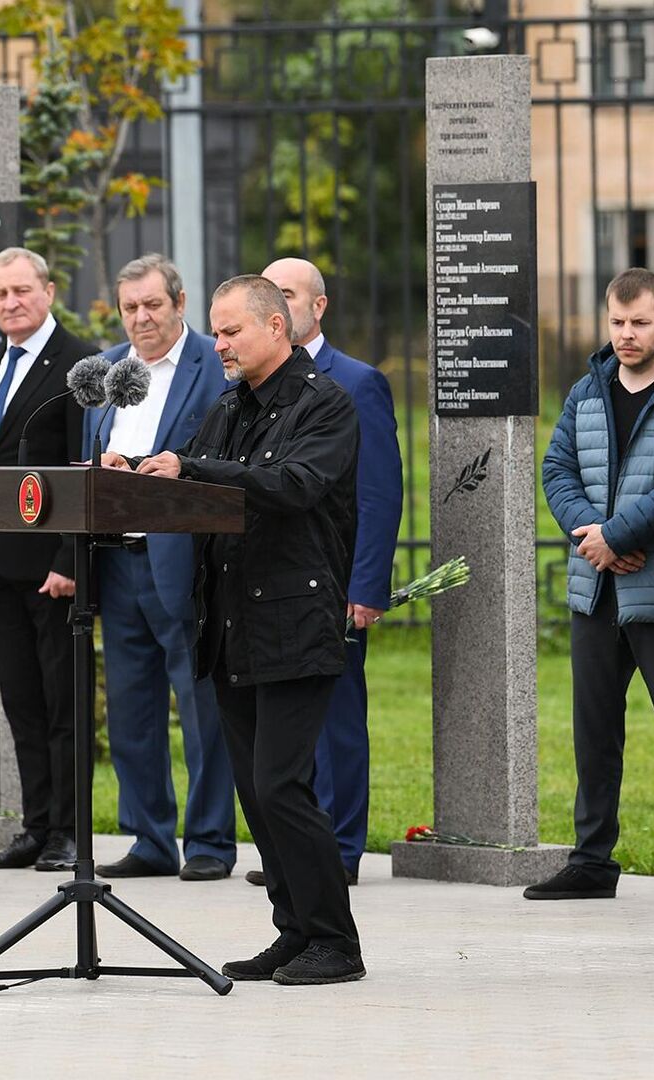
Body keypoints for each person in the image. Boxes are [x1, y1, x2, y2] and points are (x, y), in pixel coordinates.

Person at [129, 274, 364, 985]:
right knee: (257, 793)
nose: (220, 343)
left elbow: (293, 486)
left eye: (231, 331)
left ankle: (336, 941)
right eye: (217, 330)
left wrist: (191, 467)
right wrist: (131, 478)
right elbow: (195, 490)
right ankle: (294, 933)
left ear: (275, 327)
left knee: (283, 783)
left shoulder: (326, 404)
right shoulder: (228, 407)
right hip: (232, 625)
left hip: (295, 622)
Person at [527, 267, 654, 905]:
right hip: (596, 588)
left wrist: (620, 534)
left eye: (640, 322)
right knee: (594, 731)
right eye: (617, 322)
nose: (627, 335)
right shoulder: (588, 389)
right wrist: (594, 536)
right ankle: (591, 860)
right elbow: (556, 468)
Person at [258, 256, 404, 888]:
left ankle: (341, 849)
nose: (279, 303)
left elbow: (377, 493)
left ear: (318, 306)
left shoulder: (356, 381)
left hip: (336, 584)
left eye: (287, 293)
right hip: (277, 585)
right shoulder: (254, 383)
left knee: (337, 717)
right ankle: (299, 848)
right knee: (288, 724)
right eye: (269, 294)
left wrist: (366, 584)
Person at [88, 254, 234, 881]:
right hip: (117, 560)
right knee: (130, 708)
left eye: (152, 304)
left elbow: (225, 452)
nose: (141, 318)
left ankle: (208, 841)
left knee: (200, 705)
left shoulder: (213, 365)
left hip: (185, 559)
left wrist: (160, 458)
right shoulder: (106, 372)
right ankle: (148, 837)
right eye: (130, 308)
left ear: (178, 301)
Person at [0, 247, 92, 874]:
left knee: (64, 705)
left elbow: (86, 465)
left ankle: (68, 833)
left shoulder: (80, 364)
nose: (10, 303)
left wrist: (70, 557)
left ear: (49, 292)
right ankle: (34, 828)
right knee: (22, 702)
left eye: (21, 291)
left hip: (53, 571)